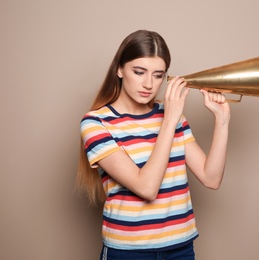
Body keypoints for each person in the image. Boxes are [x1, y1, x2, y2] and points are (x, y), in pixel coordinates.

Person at [76, 29, 230, 260]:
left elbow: (211, 177)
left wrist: (222, 119)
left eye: (158, 75)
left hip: (181, 248)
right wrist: (169, 121)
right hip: (128, 252)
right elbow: (146, 188)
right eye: (139, 72)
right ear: (119, 69)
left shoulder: (173, 116)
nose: (148, 84)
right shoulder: (96, 123)